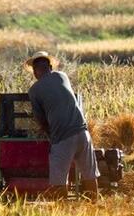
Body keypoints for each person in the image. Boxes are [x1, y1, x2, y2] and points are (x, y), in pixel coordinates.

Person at [25, 51, 99, 199]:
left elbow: (40, 119)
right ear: (50, 66)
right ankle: (94, 207)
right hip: (83, 133)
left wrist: (50, 135)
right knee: (89, 175)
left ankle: (63, 214)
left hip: (63, 136)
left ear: (34, 72)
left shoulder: (34, 90)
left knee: (58, 181)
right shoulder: (62, 76)